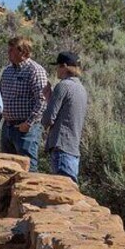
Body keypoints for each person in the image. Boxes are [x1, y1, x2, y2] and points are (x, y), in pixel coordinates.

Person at [0, 36, 51, 172]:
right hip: (7, 127)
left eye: (12, 50)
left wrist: (29, 123)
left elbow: (42, 100)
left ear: (23, 53)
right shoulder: (7, 71)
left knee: (28, 168)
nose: (8, 53)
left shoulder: (35, 70)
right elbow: (0, 99)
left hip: (25, 130)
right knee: (6, 168)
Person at [42, 52, 88, 183]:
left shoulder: (63, 86)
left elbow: (48, 118)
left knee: (62, 192)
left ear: (64, 66)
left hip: (61, 147)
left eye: (58, 66)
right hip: (73, 149)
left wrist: (48, 103)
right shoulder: (81, 88)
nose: (56, 70)